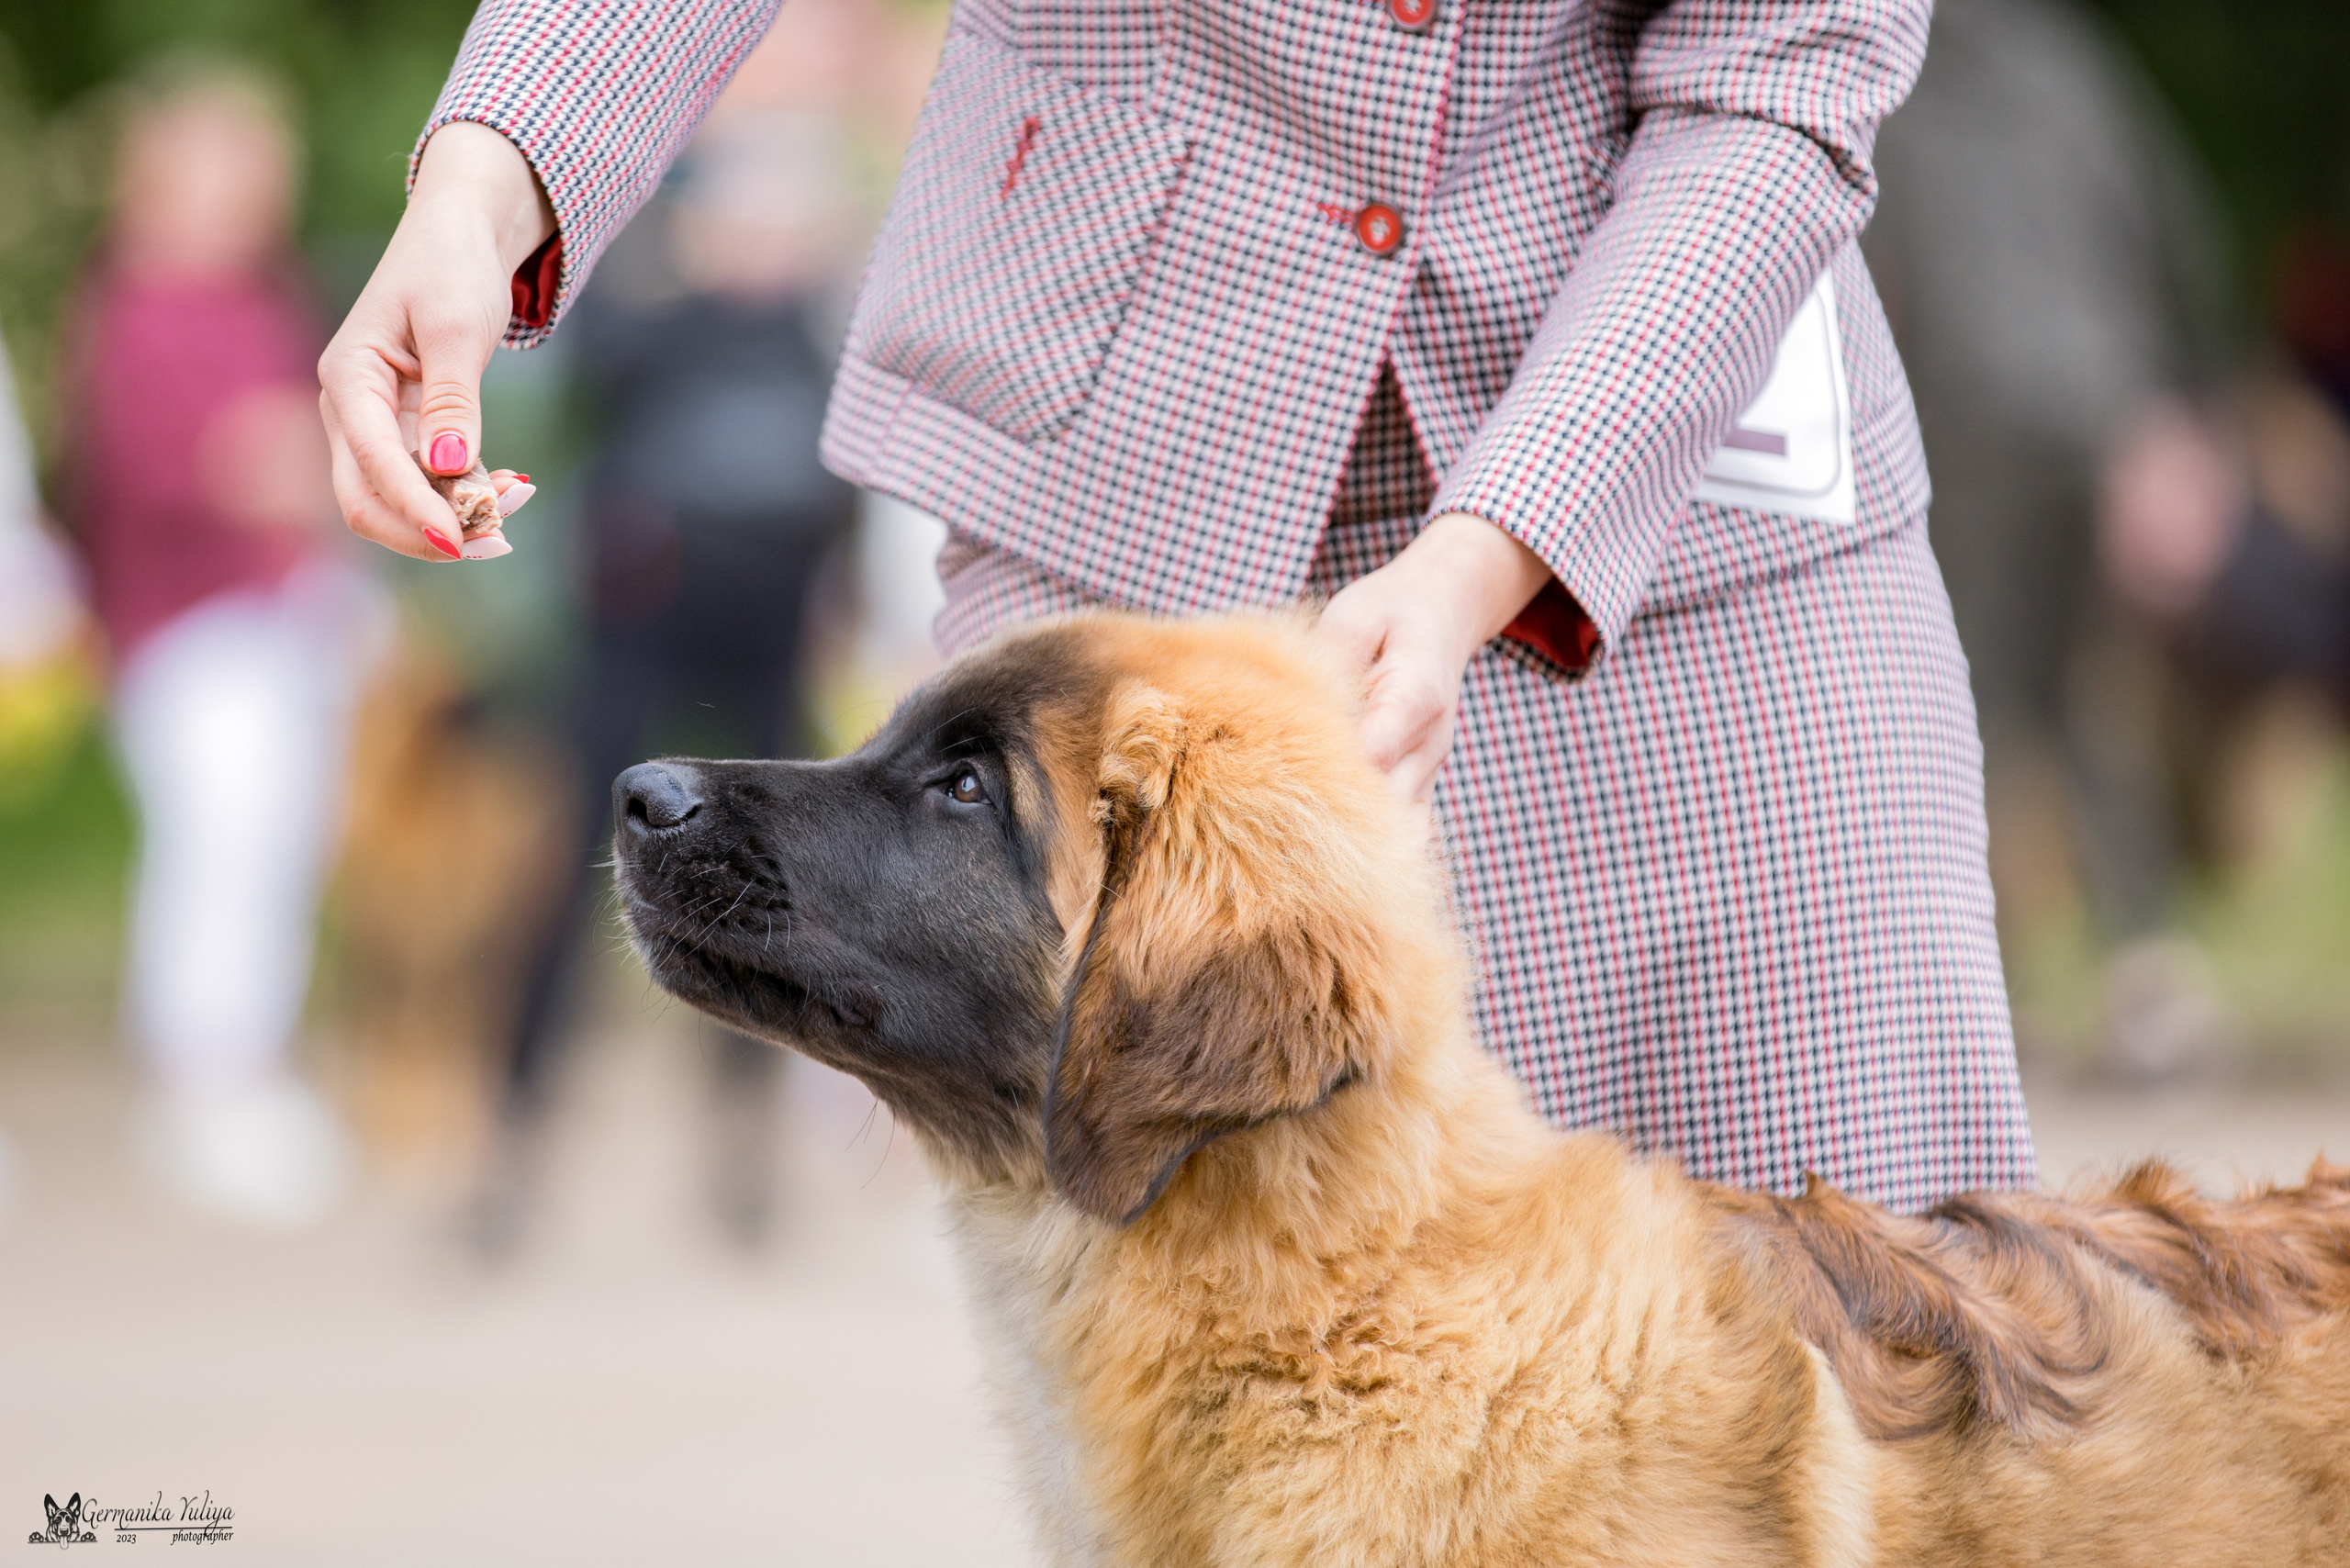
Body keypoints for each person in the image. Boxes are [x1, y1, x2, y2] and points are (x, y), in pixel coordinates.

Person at [319, 0, 2034, 1210]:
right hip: (1121, 492)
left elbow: (1785, 67)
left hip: (1687, 522)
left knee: (1876, 1357)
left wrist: (1495, 538)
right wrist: (484, 180)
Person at [469, 80, 865, 1256]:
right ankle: (509, 1149)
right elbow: (560, 336)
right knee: (566, 888)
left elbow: (849, 498)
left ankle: (748, 1154)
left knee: (769, 902)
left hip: (764, 669)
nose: (760, 233)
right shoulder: (646, 327)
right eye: (738, 210)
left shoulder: (818, 335)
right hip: (630, 660)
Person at [59, 68, 399, 1226]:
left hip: (285, 618)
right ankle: (202, 1084)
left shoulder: (265, 298)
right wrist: (295, 468)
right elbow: (205, 468)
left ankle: (248, 1069)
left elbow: (300, 455)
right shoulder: (134, 310)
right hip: (188, 628)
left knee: (282, 844)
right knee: (221, 845)